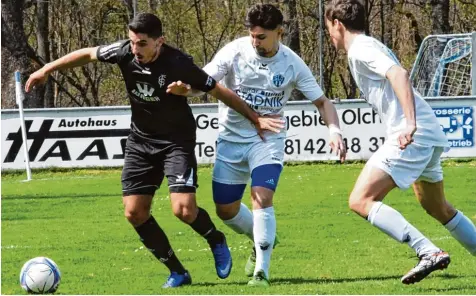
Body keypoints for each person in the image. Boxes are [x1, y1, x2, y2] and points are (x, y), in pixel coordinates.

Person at [25, 13, 283, 288]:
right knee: (134, 212)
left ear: (160, 41)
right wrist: (46, 69)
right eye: (133, 42)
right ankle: (177, 272)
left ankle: (215, 238)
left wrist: (254, 118)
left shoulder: (178, 63)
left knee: (183, 210)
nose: (136, 50)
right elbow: (88, 54)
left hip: (176, 142)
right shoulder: (124, 52)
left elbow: (219, 91)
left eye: (142, 44)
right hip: (140, 142)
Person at [167, 4, 346, 287]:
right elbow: (204, 81)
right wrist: (185, 91)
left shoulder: (292, 63)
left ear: (279, 32)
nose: (255, 41)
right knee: (225, 210)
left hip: (268, 140)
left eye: (262, 36)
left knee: (261, 196)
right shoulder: (234, 51)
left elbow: (322, 102)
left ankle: (262, 271)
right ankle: (264, 237)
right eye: (252, 35)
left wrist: (334, 130)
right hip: (230, 140)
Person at [324, 0, 476, 285]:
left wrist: (409, 123)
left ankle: (427, 251)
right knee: (437, 207)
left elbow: (399, 74)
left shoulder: (361, 49)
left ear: (338, 24)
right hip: (427, 133)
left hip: (412, 135)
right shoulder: (368, 45)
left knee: (360, 200)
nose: (330, 36)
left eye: (329, 29)